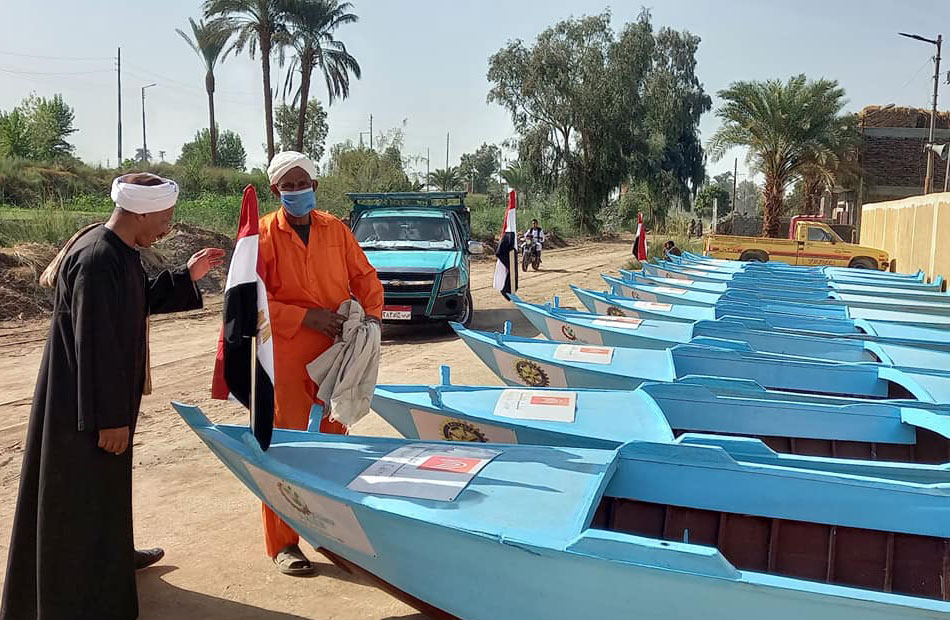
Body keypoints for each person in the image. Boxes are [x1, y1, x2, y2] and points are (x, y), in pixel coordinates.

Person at [1, 173, 225, 620]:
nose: (167, 226)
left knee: (101, 494)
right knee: (76, 498)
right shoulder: (97, 258)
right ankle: (74, 597)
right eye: (165, 216)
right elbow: (94, 344)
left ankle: (113, 558)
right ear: (140, 210)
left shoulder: (120, 253)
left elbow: (134, 300)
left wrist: (187, 276)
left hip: (99, 403)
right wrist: (109, 419)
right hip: (83, 410)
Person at [259, 151, 384, 575]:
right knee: (284, 447)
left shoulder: (336, 230)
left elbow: (365, 276)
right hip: (288, 357)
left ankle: (335, 535)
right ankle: (283, 544)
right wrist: (305, 316)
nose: (297, 191)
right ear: (276, 191)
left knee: (335, 441)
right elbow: (250, 303)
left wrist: (370, 318)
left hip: (338, 353)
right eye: (288, 186)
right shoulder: (262, 237)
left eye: (303, 183)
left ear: (316, 185)